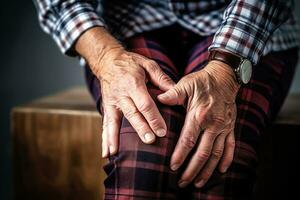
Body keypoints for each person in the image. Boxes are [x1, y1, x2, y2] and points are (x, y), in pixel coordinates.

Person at [34, 0, 299, 199]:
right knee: (143, 151)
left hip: (249, 28)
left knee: (221, 164)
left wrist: (227, 69)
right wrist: (105, 55)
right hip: (126, 23)